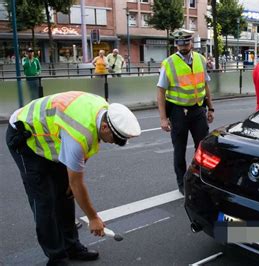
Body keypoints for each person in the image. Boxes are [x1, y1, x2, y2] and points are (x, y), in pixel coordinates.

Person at [6, 91, 141, 265]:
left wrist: (71, 182)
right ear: (106, 127)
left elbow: (87, 149)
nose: (114, 142)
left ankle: (71, 246)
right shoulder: (79, 133)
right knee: (44, 201)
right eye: (115, 139)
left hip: (52, 138)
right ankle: (56, 257)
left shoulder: (103, 112)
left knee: (66, 195)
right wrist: (93, 218)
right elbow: (77, 183)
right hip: (25, 138)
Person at [157, 29, 215, 195]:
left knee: (202, 147)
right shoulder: (169, 63)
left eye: (186, 43)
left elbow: (205, 85)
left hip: (198, 109)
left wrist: (210, 108)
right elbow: (160, 91)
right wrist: (163, 118)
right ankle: (182, 182)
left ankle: (202, 176)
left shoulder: (201, 59)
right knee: (179, 149)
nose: (183, 46)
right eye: (179, 43)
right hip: (178, 111)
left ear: (191, 43)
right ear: (176, 44)